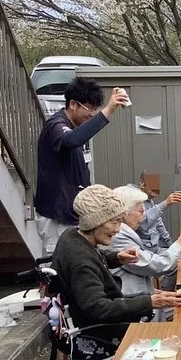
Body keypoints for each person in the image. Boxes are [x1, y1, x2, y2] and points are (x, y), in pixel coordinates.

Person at [51, 185, 181, 350]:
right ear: (95, 222)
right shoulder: (81, 261)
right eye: (114, 222)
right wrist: (149, 302)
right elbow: (98, 308)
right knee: (176, 330)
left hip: (86, 320)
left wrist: (116, 258)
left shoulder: (72, 237)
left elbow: (93, 261)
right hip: (97, 333)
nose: (118, 229)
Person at [34, 78, 128, 255]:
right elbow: (70, 140)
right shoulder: (56, 125)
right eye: (89, 108)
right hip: (57, 216)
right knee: (59, 265)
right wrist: (108, 110)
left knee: (79, 260)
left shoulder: (76, 128)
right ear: (72, 104)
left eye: (96, 109)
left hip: (74, 214)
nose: (92, 114)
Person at [110, 186, 181, 321]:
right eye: (141, 211)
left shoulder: (125, 231)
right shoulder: (118, 237)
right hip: (136, 311)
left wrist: (165, 294)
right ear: (125, 213)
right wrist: (180, 242)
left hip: (142, 300)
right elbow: (157, 266)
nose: (144, 216)